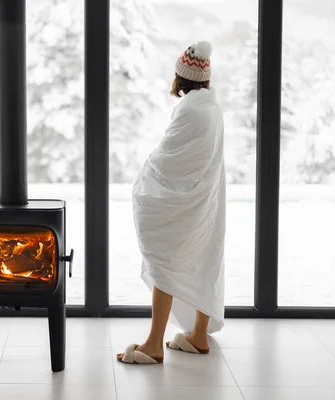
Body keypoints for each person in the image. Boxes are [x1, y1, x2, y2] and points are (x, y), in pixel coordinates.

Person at [117, 41, 226, 364]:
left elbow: (168, 158)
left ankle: (153, 344)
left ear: (181, 76)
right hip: (206, 199)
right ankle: (198, 336)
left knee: (164, 260)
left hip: (185, 203)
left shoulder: (190, 109)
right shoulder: (211, 107)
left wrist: (145, 174)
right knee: (203, 260)